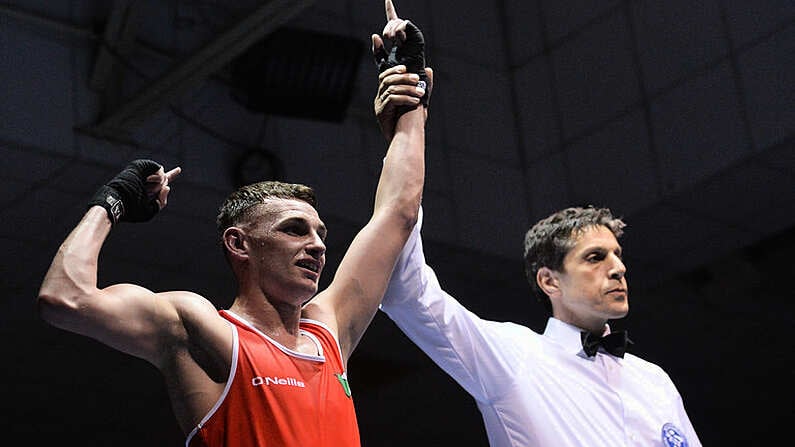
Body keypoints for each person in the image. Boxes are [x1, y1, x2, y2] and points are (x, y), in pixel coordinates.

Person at [36, 1, 432, 445]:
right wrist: (112, 202)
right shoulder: (202, 329)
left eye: (320, 233)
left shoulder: (329, 331)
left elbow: (398, 212)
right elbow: (65, 299)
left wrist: (410, 105)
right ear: (239, 244)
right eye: (294, 229)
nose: (318, 246)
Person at [379, 202, 703, 446]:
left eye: (617, 255)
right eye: (595, 257)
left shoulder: (654, 381)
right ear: (550, 281)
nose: (618, 267)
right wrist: (407, 149)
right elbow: (409, 296)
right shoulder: (515, 358)